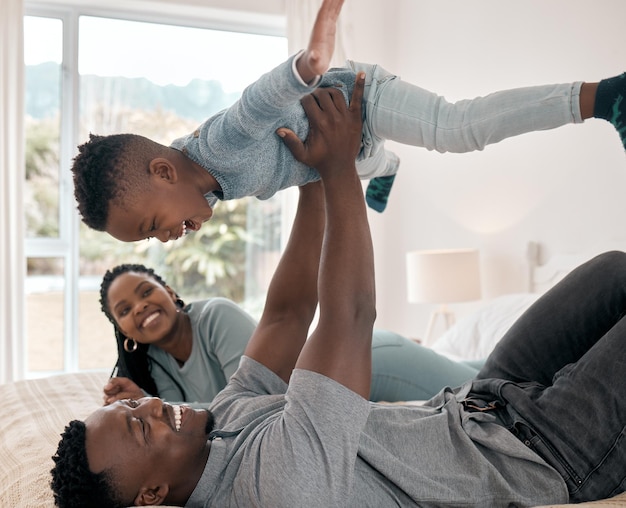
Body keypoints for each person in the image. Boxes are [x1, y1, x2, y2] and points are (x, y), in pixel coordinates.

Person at [51, 75, 626, 508]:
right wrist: (340, 170)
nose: (150, 406)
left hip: (481, 404)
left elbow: (287, 314)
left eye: (132, 407)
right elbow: (349, 316)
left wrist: (310, 176)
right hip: (543, 452)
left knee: (612, 271)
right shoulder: (272, 487)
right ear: (151, 494)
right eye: (138, 426)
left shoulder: (218, 425)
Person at [71, 0, 626, 243]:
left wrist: (307, 64)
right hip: (348, 150)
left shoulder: (215, 146)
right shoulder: (207, 188)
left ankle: (604, 97)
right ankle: (386, 167)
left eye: (152, 226)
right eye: (151, 240)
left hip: (360, 97)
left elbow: (255, 106)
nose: (167, 238)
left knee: (459, 131)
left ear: (165, 173)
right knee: (361, 166)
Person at [99, 263, 480, 406]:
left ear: (170, 293)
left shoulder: (215, 315)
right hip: (330, 386)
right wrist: (144, 401)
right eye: (125, 310)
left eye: (146, 291)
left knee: (485, 385)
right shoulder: (153, 364)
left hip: (366, 361)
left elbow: (256, 402)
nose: (141, 307)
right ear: (123, 331)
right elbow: (186, 425)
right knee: (478, 373)